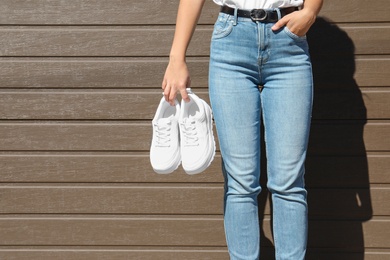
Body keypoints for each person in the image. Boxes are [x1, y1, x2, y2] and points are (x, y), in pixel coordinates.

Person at [162, 0, 323, 259]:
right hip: (231, 41)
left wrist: (311, 12)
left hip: (288, 44)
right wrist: (176, 58)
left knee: (288, 182)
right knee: (241, 183)